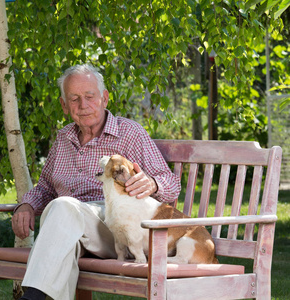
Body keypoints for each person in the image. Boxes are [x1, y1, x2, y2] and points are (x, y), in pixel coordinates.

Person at [12, 64, 181, 300]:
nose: (83, 105)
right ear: (64, 105)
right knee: (64, 229)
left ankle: (32, 297)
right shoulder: (63, 139)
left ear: (104, 98)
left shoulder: (130, 133)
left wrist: (152, 183)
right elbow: (45, 188)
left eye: (90, 97)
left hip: (115, 230)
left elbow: (171, 182)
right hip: (69, 231)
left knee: (63, 207)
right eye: (74, 99)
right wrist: (27, 205)